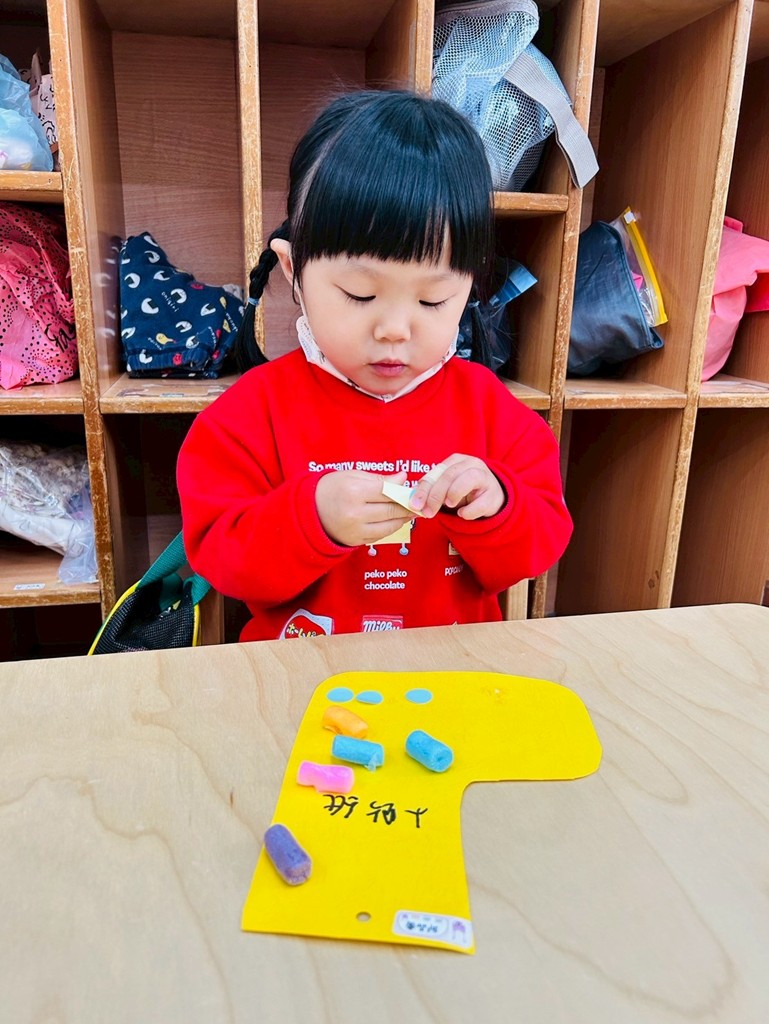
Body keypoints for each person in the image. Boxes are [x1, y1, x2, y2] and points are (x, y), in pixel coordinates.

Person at [177, 89, 572, 642]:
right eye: (360, 294)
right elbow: (221, 562)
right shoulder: (247, 415)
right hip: (305, 676)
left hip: (452, 676)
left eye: (433, 300)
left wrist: (497, 505)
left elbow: (539, 546)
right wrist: (312, 518)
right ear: (292, 269)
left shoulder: (491, 410)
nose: (395, 330)